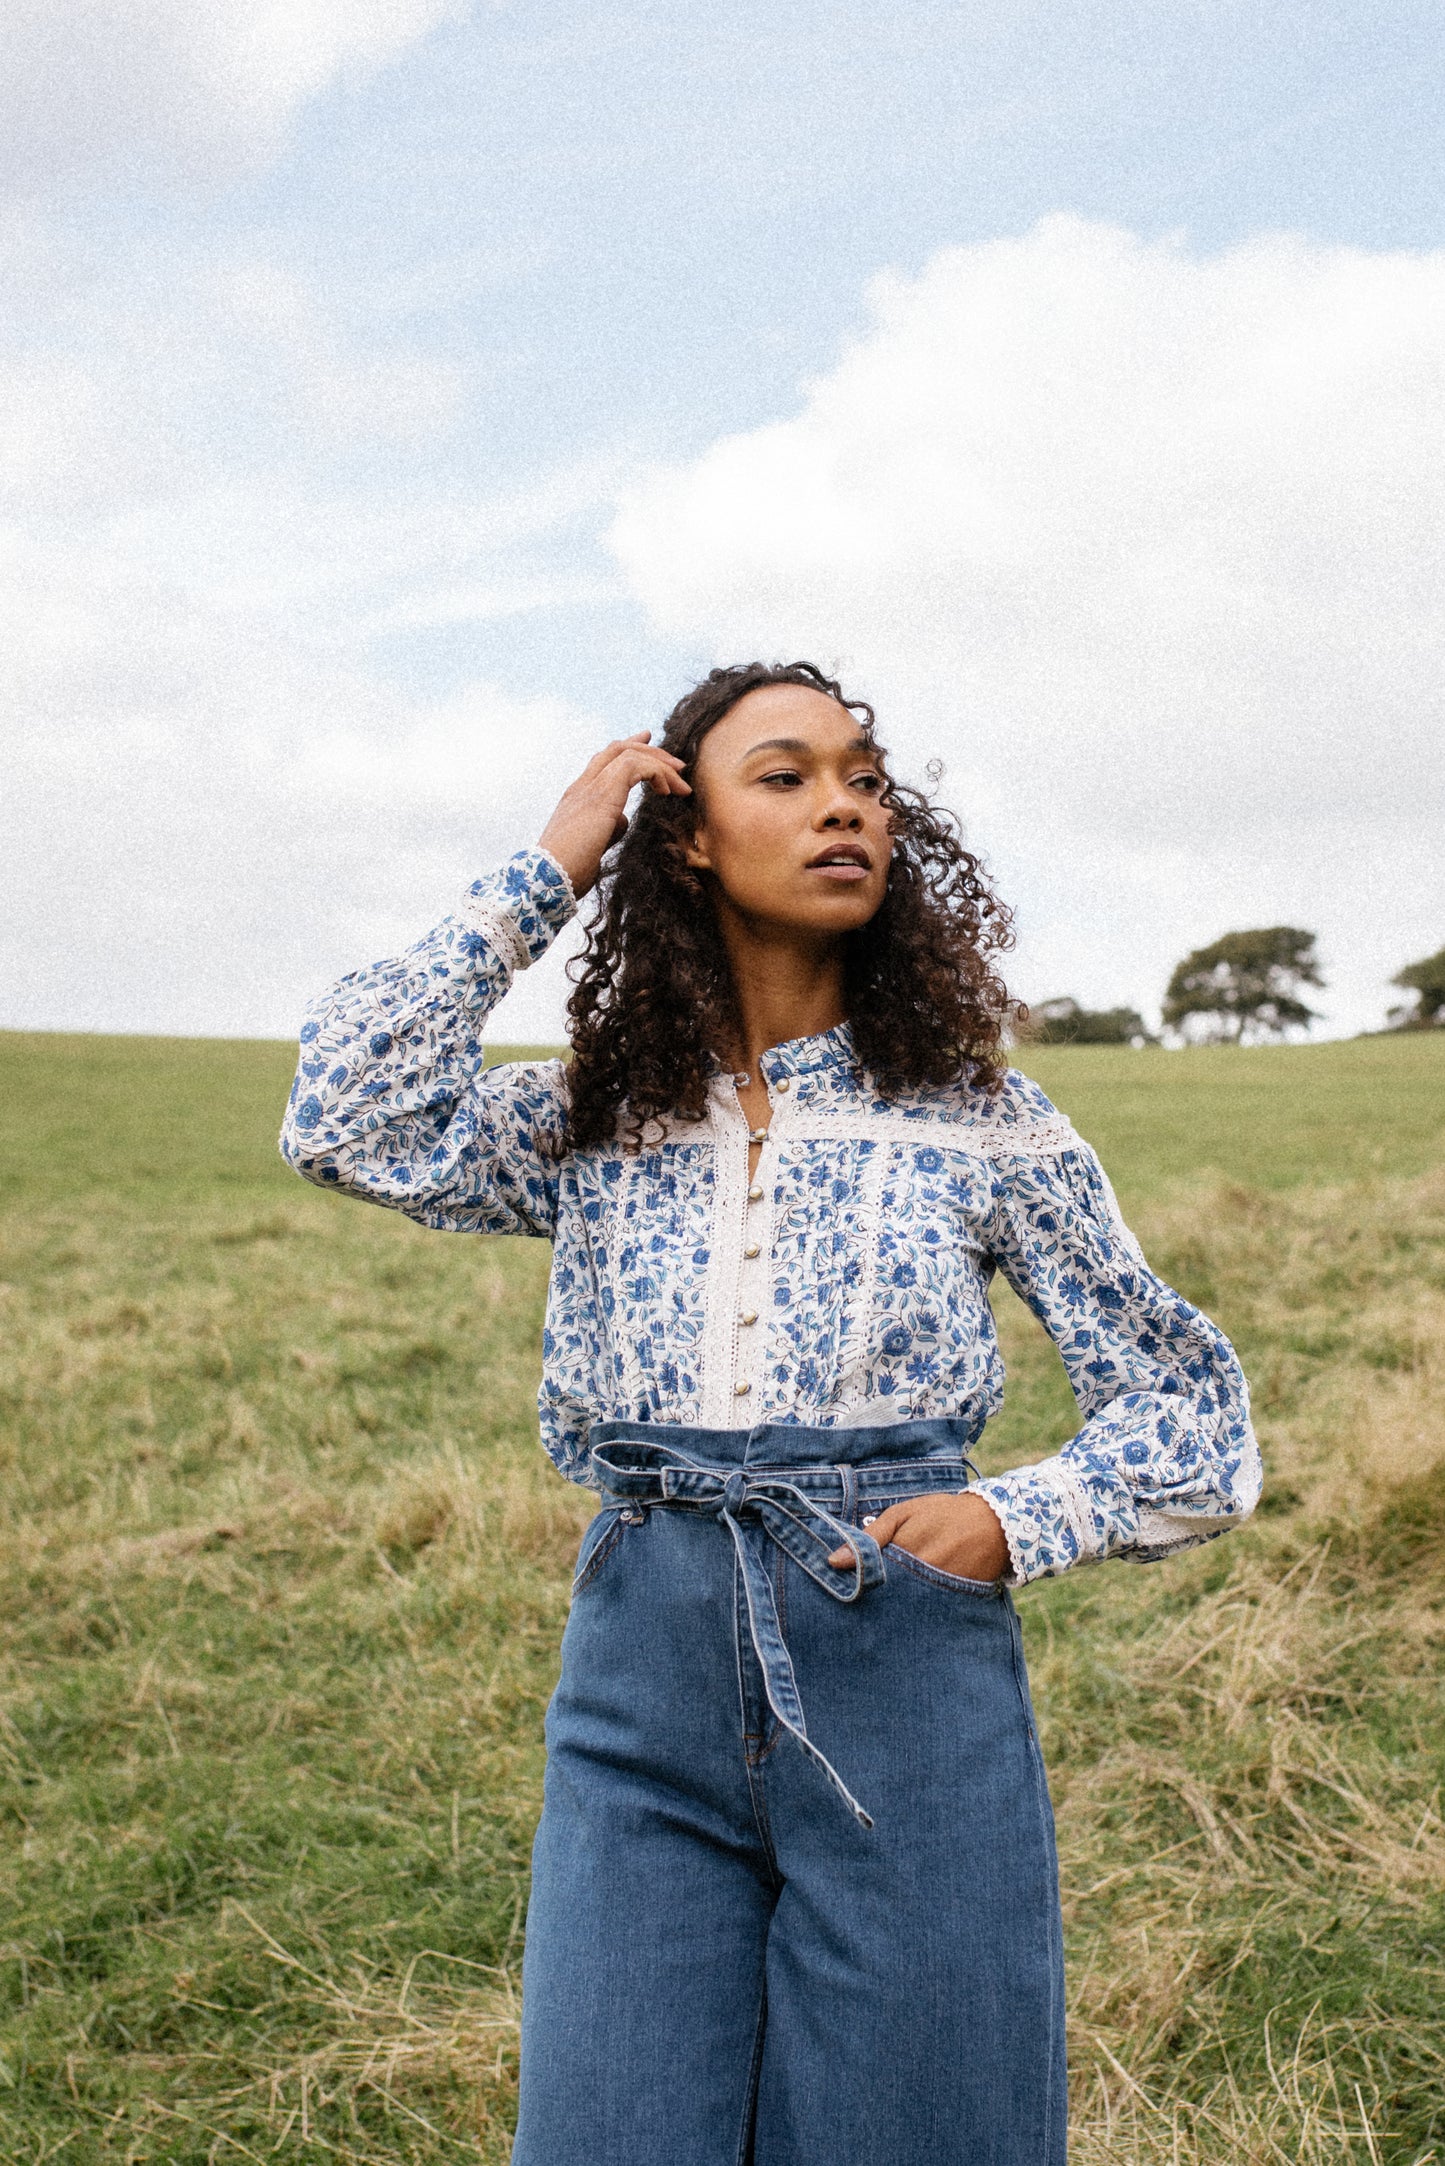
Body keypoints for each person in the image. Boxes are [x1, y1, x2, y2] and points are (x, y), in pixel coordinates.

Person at [280, 661, 1259, 2166]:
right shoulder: (592, 1111)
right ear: (684, 836)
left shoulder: (973, 1114)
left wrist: (1008, 1517)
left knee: (920, 2134)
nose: (844, 806)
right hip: (639, 1676)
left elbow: (1188, 1408)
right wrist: (549, 866)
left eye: (863, 776)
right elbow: (347, 1117)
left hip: (899, 1658)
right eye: (785, 776)